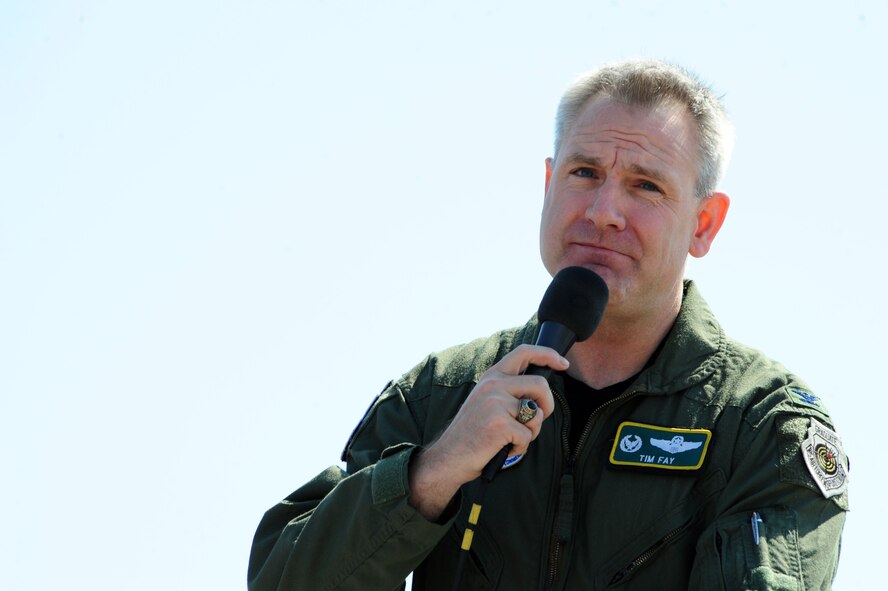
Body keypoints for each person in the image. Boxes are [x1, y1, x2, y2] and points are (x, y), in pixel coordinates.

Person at [248, 59, 848, 590]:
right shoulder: (440, 395)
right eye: (583, 173)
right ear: (547, 184)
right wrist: (429, 476)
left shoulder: (763, 428)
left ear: (704, 225)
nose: (602, 211)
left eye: (645, 185)